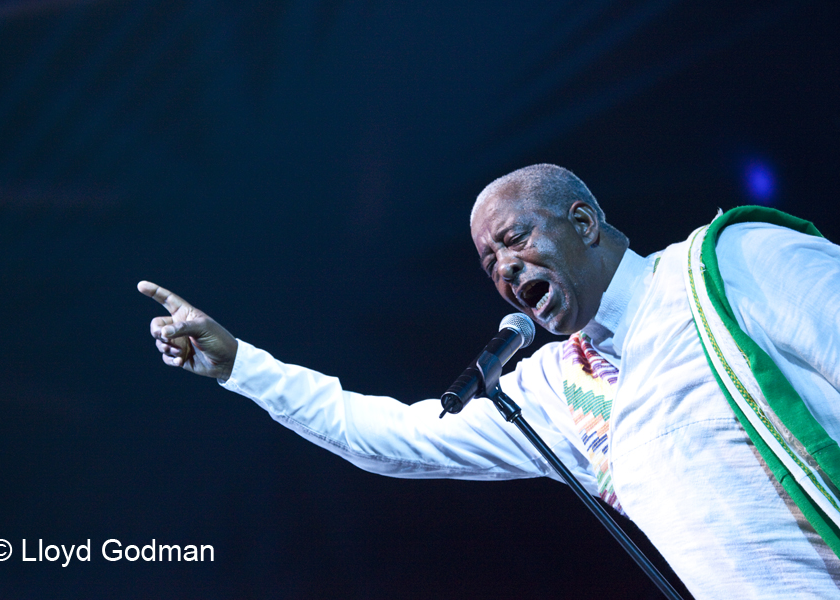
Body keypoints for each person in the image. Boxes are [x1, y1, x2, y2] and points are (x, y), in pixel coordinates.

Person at [139, 164, 840, 599]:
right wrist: (242, 367)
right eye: (488, 263)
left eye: (513, 240)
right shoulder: (557, 392)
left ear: (584, 222)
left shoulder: (731, 264)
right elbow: (391, 438)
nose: (503, 269)